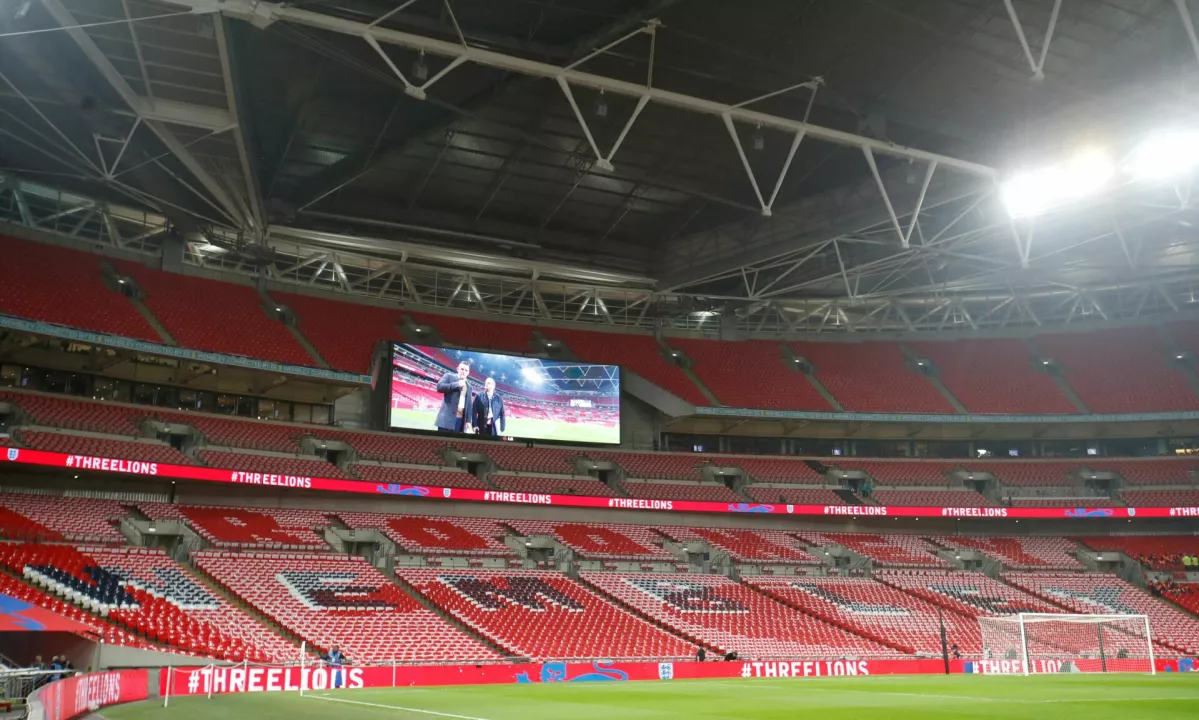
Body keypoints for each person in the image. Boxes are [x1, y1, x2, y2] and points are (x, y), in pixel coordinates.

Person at [434, 362, 473, 434]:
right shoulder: (449, 376)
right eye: (462, 369)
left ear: (468, 373)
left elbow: (469, 405)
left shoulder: (469, 387)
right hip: (446, 421)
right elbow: (439, 387)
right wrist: (457, 384)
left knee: (455, 443)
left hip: (460, 421)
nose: (463, 372)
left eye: (466, 370)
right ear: (458, 369)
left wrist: (468, 421)